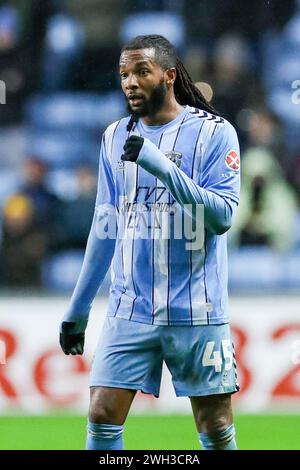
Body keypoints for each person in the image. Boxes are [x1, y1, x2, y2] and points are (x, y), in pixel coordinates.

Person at [59, 34, 240, 451]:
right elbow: (105, 224)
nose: (131, 82)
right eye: (124, 73)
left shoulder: (215, 134)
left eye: (142, 71)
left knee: (214, 422)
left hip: (197, 307)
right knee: (102, 411)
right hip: (130, 307)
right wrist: (78, 308)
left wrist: (159, 164)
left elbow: (222, 218)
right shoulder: (113, 136)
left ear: (169, 76)